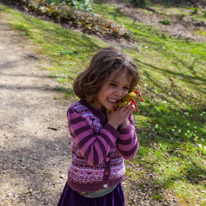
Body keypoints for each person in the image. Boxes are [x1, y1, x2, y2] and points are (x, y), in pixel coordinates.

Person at [57, 46, 140, 206]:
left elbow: (129, 152)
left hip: (113, 192)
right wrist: (113, 124)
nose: (119, 93)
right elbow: (93, 157)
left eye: (125, 87)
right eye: (113, 84)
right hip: (82, 196)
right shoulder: (78, 113)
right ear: (96, 81)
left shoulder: (122, 112)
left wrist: (123, 123)